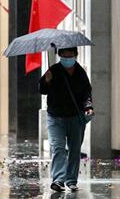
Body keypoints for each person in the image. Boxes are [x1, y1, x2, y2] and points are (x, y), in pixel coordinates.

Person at [39, 47, 94, 192]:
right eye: (64, 55)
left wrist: (88, 106)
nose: (68, 58)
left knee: (74, 149)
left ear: (75, 55)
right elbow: (41, 89)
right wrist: (47, 80)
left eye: (70, 55)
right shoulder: (54, 70)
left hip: (75, 118)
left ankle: (71, 180)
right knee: (58, 147)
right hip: (55, 117)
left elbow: (87, 91)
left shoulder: (80, 72)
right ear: (59, 55)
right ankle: (58, 180)